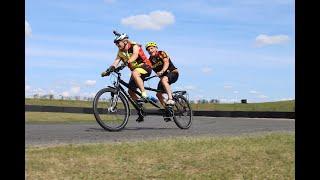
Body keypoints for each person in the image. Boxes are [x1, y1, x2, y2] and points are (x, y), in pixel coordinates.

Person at [102, 31, 153, 122]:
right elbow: (116, 61)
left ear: (125, 41)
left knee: (135, 73)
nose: (117, 45)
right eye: (116, 43)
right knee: (131, 91)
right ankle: (141, 109)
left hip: (146, 67)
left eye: (118, 42)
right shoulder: (120, 52)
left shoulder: (134, 46)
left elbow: (135, 55)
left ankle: (144, 94)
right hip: (136, 71)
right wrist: (109, 70)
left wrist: (127, 62)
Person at [145, 42, 179, 107]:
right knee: (158, 94)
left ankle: (170, 99)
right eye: (148, 50)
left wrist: (162, 71)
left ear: (156, 48)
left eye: (151, 48)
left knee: (164, 80)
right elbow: (154, 71)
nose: (150, 51)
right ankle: (166, 109)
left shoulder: (161, 53)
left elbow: (166, 62)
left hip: (173, 73)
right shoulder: (150, 60)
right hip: (164, 77)